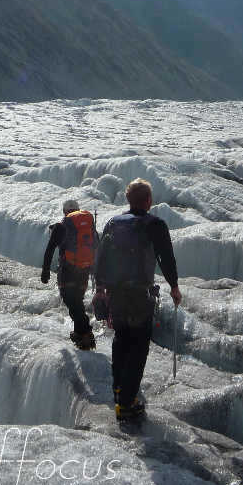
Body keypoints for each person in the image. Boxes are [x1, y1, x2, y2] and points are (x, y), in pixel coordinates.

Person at [93, 179, 181, 422]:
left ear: (128, 200)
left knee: (121, 339)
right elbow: (166, 258)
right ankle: (126, 403)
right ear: (148, 201)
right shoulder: (155, 224)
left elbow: (101, 258)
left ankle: (119, 390)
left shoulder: (113, 223)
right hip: (140, 294)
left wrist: (100, 289)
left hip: (116, 293)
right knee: (139, 346)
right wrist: (174, 286)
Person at [40, 199, 98, 350]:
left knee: (71, 301)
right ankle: (80, 334)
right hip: (84, 270)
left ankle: (85, 334)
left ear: (64, 212)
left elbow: (50, 249)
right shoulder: (89, 225)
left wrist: (45, 271)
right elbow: (96, 247)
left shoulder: (61, 226)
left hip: (68, 270)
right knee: (77, 301)